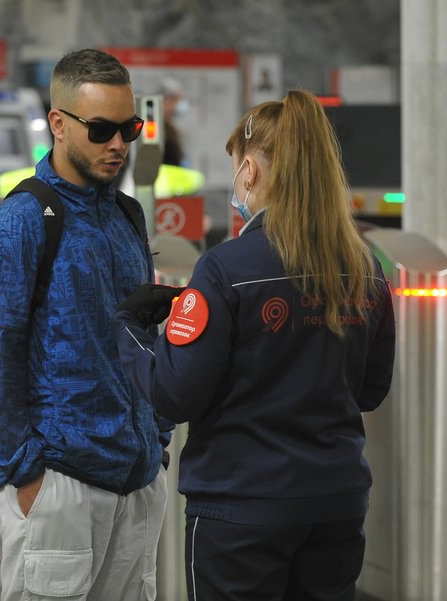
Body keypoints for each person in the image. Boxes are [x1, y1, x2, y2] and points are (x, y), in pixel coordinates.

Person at [114, 89, 396, 601]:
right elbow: (371, 388)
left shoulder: (226, 269)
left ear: (250, 171)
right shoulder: (363, 266)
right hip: (335, 502)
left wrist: (131, 329)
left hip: (240, 509)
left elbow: (176, 394)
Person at [0, 49, 170, 600]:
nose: (118, 145)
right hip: (61, 484)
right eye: (101, 129)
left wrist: (157, 439)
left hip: (137, 478)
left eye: (130, 128)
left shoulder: (127, 214)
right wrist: (27, 475)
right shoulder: (21, 221)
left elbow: (143, 333)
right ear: (58, 123)